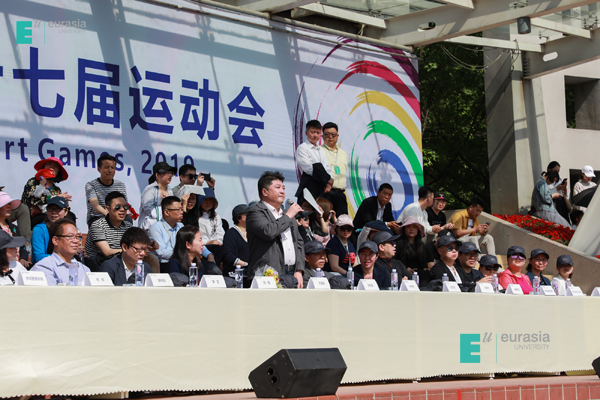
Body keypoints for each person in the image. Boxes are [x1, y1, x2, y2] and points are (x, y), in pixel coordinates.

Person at [246, 171, 304, 288]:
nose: (282, 191)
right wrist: (288, 216)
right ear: (264, 192)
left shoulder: (287, 214)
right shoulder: (255, 212)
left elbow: (298, 242)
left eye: (283, 188)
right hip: (266, 274)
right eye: (278, 187)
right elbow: (268, 232)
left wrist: (299, 270)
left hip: (291, 273)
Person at [84, 191, 133, 271]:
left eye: (125, 206)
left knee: (150, 258)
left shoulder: (128, 226)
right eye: (117, 207)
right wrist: (132, 251)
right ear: (107, 209)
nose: (122, 209)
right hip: (100, 264)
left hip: (121, 261)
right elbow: (107, 252)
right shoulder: (98, 225)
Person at [31, 218, 90, 285]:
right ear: (55, 240)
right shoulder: (44, 267)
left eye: (77, 237)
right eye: (70, 236)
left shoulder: (84, 269)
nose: (76, 241)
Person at [21, 157, 72, 227]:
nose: (52, 166)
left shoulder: (56, 189)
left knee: (70, 216)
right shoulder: (33, 182)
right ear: (44, 166)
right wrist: (55, 198)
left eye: (56, 166)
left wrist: (65, 204)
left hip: (52, 214)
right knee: (47, 219)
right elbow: (32, 199)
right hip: (34, 216)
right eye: (50, 164)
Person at [295, 120, 334, 202]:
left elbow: (327, 167)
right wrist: (328, 179)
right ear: (306, 133)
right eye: (312, 132)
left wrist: (329, 183)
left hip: (322, 187)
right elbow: (308, 169)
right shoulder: (302, 148)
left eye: (318, 132)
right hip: (309, 186)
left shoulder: (321, 150)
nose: (315, 135)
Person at [85, 154, 128, 227]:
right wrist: (110, 216)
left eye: (112, 167)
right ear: (99, 169)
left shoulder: (120, 185)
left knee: (128, 220)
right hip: (97, 217)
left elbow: (124, 205)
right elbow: (95, 205)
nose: (110, 171)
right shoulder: (91, 185)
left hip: (116, 216)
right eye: (106, 167)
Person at [394, 216, 435, 287]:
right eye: (408, 227)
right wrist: (405, 268)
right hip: (404, 273)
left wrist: (425, 268)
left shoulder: (421, 244)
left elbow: (424, 261)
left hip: (419, 273)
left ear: (418, 229)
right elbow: (395, 261)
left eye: (414, 227)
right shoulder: (399, 243)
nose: (411, 229)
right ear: (404, 229)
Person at [148, 196, 184, 270]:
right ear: (167, 212)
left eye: (181, 209)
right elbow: (162, 252)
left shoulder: (181, 226)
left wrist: (208, 254)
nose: (181, 212)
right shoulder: (155, 228)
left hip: (180, 261)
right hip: (164, 264)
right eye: (178, 210)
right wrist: (184, 254)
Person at [320, 122, 348, 216]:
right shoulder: (319, 151)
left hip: (341, 194)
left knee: (342, 222)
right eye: (327, 134)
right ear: (323, 136)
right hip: (326, 194)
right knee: (327, 220)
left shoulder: (343, 153)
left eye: (333, 134)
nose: (330, 137)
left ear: (337, 136)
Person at [31, 196, 70, 264]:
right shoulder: (39, 230)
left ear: (66, 211)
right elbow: (39, 257)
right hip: (44, 267)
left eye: (58, 209)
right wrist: (62, 258)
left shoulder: (70, 229)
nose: (54, 212)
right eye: (50, 209)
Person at [138, 162, 177, 230]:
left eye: (171, 173)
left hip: (165, 228)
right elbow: (148, 209)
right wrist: (163, 205)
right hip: (149, 229)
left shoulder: (170, 191)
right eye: (167, 173)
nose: (170, 175)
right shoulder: (150, 189)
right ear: (157, 175)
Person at [0, 192, 30, 268]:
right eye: (5, 204)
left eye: (9, 204)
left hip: (15, 267)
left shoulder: (14, 228)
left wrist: (23, 258)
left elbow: (22, 246)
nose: (8, 206)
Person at [222, 204, 250, 279]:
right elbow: (228, 256)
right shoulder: (231, 233)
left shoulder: (253, 234)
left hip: (250, 273)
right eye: (247, 214)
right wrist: (245, 264)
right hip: (234, 275)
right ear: (238, 218)